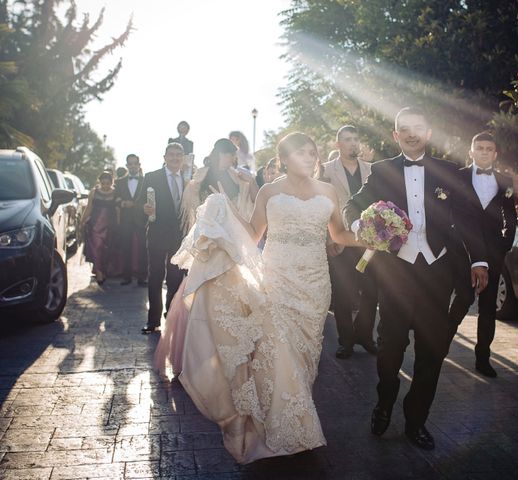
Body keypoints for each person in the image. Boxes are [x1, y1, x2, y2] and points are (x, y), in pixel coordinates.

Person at [178, 132, 360, 463]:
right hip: (277, 282)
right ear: (284, 159)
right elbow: (252, 235)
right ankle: (291, 432)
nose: (308, 157)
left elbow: (339, 237)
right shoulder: (270, 191)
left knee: (305, 358)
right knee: (279, 354)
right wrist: (226, 211)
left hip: (316, 286)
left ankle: (290, 420)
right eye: (300, 153)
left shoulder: (329, 191)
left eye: (312, 152)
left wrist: (375, 237)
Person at [344, 107, 488, 450]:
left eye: (418, 128)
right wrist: (360, 228)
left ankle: (416, 420)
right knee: (390, 347)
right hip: (395, 271)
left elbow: (469, 218)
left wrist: (479, 259)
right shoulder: (381, 170)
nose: (411, 134)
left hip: (438, 271)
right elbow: (353, 206)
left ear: (428, 132)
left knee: (432, 351)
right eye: (404, 129)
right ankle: (385, 401)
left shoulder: (450, 172)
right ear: (395, 136)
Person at [154, 138, 256, 375]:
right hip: (209, 239)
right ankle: (198, 358)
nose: (233, 159)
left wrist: (245, 186)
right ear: (223, 153)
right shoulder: (203, 174)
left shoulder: (236, 176)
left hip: (231, 240)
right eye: (231, 154)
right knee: (201, 293)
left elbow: (246, 205)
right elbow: (190, 206)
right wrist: (196, 192)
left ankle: (230, 352)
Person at [448, 131, 517, 377]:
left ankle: (482, 358)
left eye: (489, 148)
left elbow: (510, 216)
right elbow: (452, 214)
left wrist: (504, 245)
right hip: (464, 249)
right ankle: (442, 343)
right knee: (465, 297)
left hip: (494, 252)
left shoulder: (505, 181)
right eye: (480, 148)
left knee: (488, 308)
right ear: (471, 151)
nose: (484, 152)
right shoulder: (457, 177)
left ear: (495, 153)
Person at [323, 125, 378, 359]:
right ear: (338, 145)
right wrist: (329, 239)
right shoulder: (325, 171)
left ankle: (365, 336)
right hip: (341, 240)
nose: (353, 143)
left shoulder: (373, 170)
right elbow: (320, 208)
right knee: (343, 293)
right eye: (347, 139)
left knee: (371, 291)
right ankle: (345, 341)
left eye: (356, 139)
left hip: (370, 242)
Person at [139, 143, 186, 334]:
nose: (175, 158)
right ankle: (153, 321)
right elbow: (139, 205)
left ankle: (171, 315)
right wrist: (144, 209)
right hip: (158, 234)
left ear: (183, 158)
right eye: (171, 155)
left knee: (175, 277)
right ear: (165, 157)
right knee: (156, 277)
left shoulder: (189, 178)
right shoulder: (152, 177)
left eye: (178, 155)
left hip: (179, 236)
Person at [114, 154, 147, 286]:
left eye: (135, 164)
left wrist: (134, 205)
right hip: (126, 220)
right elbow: (115, 200)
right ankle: (126, 276)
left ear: (139, 165)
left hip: (142, 220)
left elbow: (148, 200)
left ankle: (142, 277)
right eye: (130, 164)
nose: (133, 166)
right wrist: (122, 203)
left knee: (143, 249)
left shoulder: (146, 181)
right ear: (127, 166)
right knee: (126, 248)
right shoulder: (119, 182)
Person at [81, 171, 117, 285]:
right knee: (96, 247)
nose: (105, 186)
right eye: (103, 183)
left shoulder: (116, 193)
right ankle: (99, 273)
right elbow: (89, 207)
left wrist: (119, 223)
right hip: (95, 225)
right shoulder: (94, 192)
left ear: (112, 182)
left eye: (108, 183)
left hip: (110, 225)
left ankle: (102, 269)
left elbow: (118, 210)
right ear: (99, 182)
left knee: (106, 250)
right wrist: (82, 220)